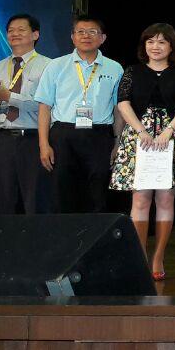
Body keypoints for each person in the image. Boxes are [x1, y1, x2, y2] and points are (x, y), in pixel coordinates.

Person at [110, 23, 175, 281]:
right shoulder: (132, 71)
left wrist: (168, 130)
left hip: (171, 136)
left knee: (166, 199)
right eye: (150, 41)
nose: (155, 46)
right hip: (140, 137)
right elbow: (123, 103)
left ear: (172, 46)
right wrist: (141, 131)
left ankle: (158, 256)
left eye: (161, 42)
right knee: (139, 200)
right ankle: (139, 257)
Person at [35, 15, 125, 214]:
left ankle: (95, 242)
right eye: (81, 32)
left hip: (99, 135)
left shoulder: (115, 68)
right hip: (63, 135)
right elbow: (44, 107)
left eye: (92, 32)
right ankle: (64, 242)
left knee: (97, 193)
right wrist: (44, 144)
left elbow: (119, 110)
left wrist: (118, 143)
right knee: (62, 192)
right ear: (73, 37)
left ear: (102, 38)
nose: (86, 36)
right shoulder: (56, 66)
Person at [0, 13, 54, 214]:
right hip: (2, 140)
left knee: (36, 200)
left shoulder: (49, 66)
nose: (14, 34)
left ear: (35, 34)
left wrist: (8, 96)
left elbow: (46, 105)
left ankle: (38, 245)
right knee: (0, 200)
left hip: (33, 139)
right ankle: (3, 245)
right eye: (10, 31)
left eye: (21, 30)